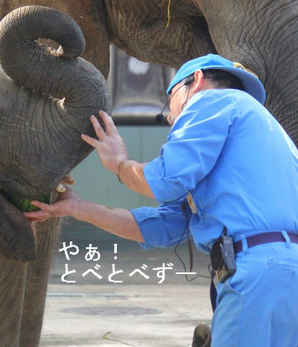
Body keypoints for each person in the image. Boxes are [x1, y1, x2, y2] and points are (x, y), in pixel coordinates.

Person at [25, 54, 298, 346]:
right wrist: (77, 208)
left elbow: (164, 182)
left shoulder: (211, 101)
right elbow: (163, 227)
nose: (170, 117)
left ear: (196, 81)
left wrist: (118, 163)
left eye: (170, 104)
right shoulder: (261, 135)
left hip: (258, 275)